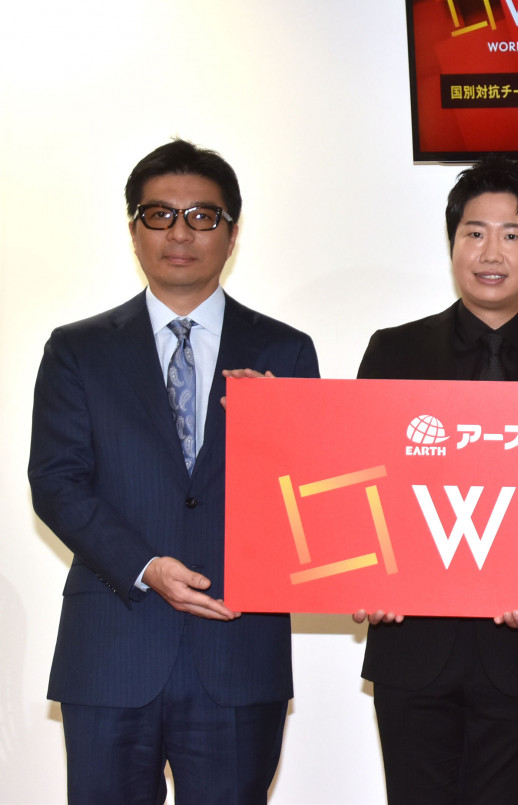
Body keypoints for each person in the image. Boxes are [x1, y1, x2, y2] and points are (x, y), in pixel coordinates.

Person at [28, 139, 320, 803]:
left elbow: (311, 494)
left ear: (233, 233)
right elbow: (56, 482)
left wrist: (280, 426)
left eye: (202, 216)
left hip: (238, 650)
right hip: (112, 648)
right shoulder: (77, 350)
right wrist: (145, 565)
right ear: (134, 228)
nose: (180, 233)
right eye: (159, 215)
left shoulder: (284, 351)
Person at [351, 154, 518, 804]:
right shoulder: (393, 352)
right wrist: (365, 575)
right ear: (452, 244)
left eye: (512, 234)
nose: (491, 252)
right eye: (475, 232)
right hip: (412, 646)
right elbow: (362, 485)